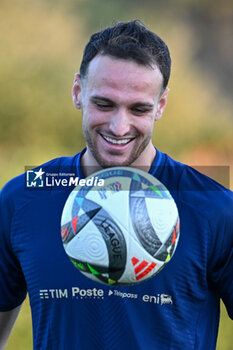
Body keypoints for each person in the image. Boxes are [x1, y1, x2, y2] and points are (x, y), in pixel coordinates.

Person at [0, 20, 232, 350]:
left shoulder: (213, 207)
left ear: (161, 106)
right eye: (104, 104)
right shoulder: (24, 198)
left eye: (139, 108)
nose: (119, 126)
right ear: (78, 91)